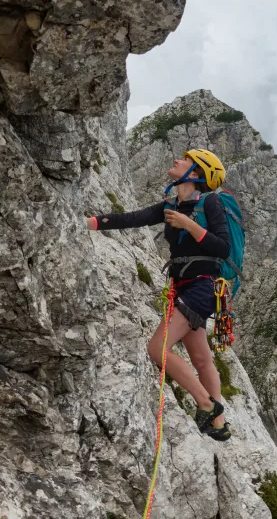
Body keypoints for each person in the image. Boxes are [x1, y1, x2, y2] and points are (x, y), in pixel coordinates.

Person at [85, 149, 232, 442]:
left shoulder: (210, 202)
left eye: (186, 160)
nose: (177, 160)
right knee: (201, 359)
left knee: (157, 349)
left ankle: (206, 403)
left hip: (203, 286)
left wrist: (188, 224)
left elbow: (223, 248)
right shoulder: (171, 204)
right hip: (186, 286)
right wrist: (91, 223)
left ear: (197, 173)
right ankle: (219, 425)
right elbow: (132, 219)